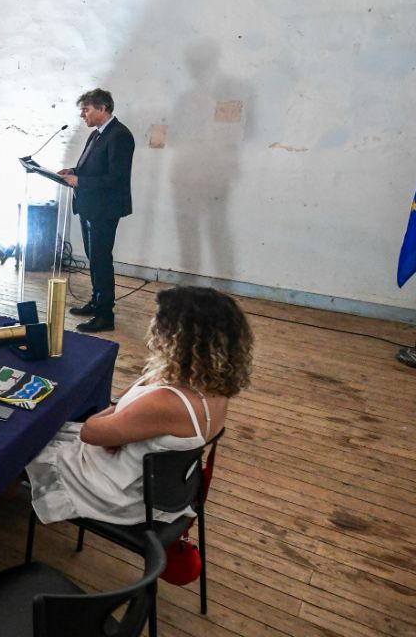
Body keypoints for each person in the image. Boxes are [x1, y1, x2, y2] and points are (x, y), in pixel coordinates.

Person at [27, 286, 251, 523]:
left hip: (123, 493)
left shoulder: (166, 403)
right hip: (158, 480)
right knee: (52, 431)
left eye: (159, 319)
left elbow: (90, 431)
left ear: (178, 337)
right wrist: (123, 420)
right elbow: (131, 396)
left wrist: (116, 416)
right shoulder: (212, 387)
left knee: (29, 443)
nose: (152, 324)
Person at [58, 88, 135, 333]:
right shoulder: (98, 134)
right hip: (91, 205)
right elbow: (93, 168)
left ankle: (105, 316)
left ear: (103, 109)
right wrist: (73, 171)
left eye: (86, 109)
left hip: (105, 208)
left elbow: (116, 177)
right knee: (95, 258)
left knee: (102, 260)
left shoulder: (119, 135)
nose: (83, 115)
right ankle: (96, 301)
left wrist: (80, 181)